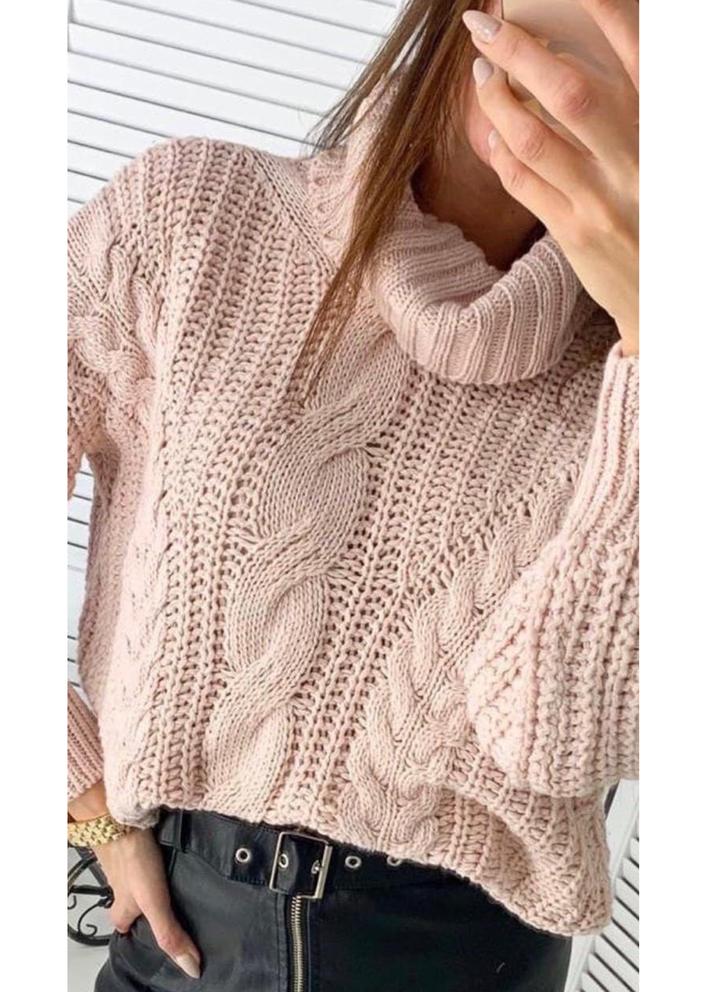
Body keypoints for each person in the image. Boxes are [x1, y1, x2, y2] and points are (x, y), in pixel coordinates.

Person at [66, 0, 639, 989]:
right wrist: (84, 795)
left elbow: (553, 737)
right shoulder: (189, 223)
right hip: (187, 931)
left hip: (465, 953)